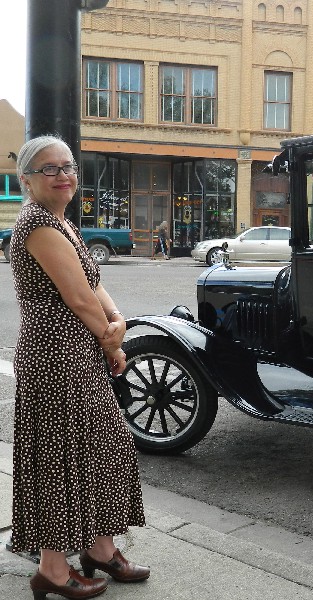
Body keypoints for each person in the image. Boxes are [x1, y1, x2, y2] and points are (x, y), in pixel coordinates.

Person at [10, 135, 150, 600]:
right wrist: (111, 341)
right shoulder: (37, 225)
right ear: (27, 179)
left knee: (102, 448)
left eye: (68, 166)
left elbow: (95, 284)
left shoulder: (62, 223)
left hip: (80, 351)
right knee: (61, 460)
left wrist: (118, 321)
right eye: (50, 168)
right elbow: (76, 297)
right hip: (55, 359)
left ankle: (101, 549)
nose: (64, 175)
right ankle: (52, 570)